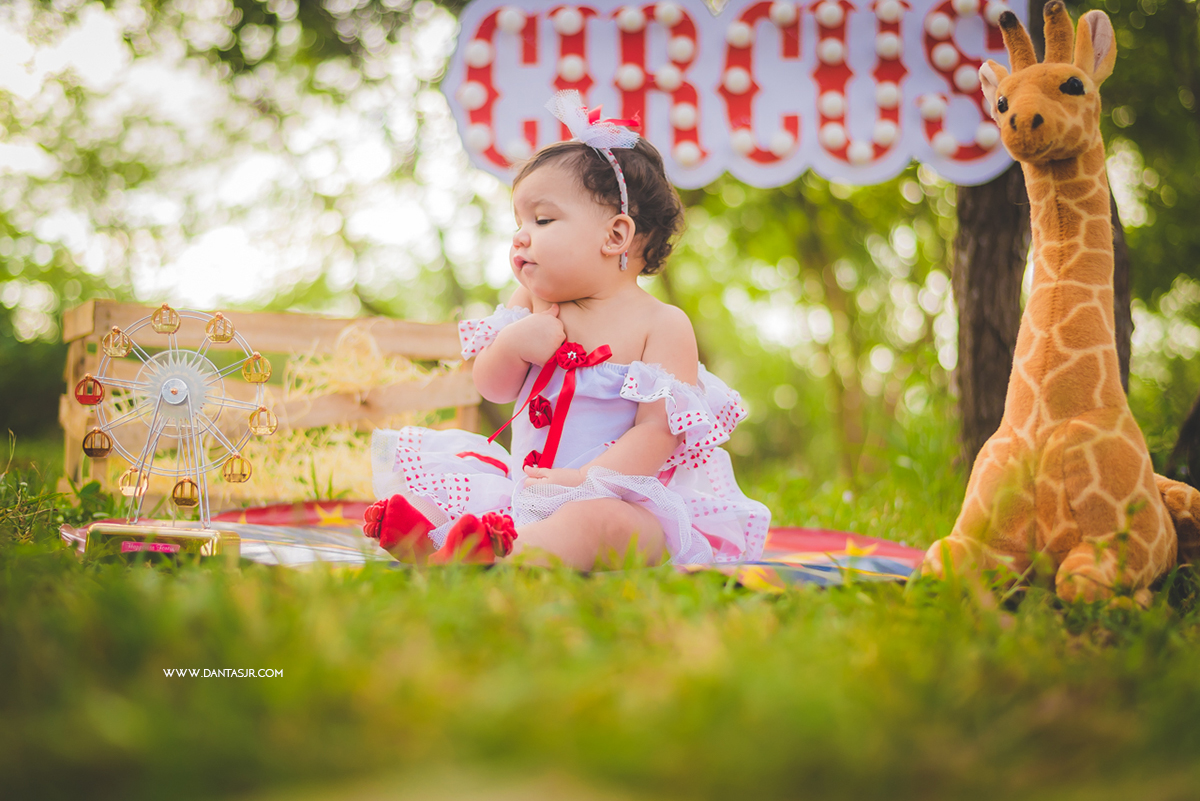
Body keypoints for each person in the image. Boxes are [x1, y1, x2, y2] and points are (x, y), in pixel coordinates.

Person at [363, 91, 769, 569]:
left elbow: (659, 433)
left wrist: (584, 481)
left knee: (593, 525)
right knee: (455, 497)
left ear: (615, 236)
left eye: (542, 218)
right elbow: (490, 386)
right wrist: (513, 345)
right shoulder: (532, 304)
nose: (520, 235)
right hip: (525, 488)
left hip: (619, 499)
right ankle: (448, 547)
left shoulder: (660, 324)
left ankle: (499, 561)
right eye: (518, 221)